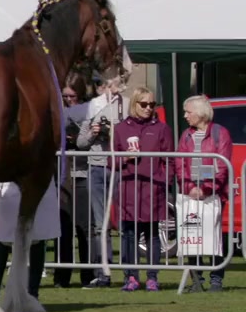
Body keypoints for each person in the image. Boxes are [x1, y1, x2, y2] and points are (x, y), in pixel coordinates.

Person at [112, 86, 172, 292]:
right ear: (135, 104)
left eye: (152, 104)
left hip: (153, 189)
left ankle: (152, 277)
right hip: (129, 189)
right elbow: (111, 161)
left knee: (152, 235)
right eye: (144, 104)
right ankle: (131, 277)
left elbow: (170, 160)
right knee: (129, 235)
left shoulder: (161, 128)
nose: (148, 108)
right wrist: (124, 158)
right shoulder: (121, 129)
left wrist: (164, 180)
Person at [175, 94, 233, 292]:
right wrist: (189, 187)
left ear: (200, 113)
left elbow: (222, 166)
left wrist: (206, 188)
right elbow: (180, 164)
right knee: (193, 234)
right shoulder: (186, 135)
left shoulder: (220, 133)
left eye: (188, 112)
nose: (185, 116)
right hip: (191, 193)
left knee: (214, 235)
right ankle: (196, 280)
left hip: (214, 194)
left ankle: (216, 279)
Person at [78, 76, 129, 287]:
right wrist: (93, 132)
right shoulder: (93, 107)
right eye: (106, 85)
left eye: (113, 85)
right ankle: (103, 273)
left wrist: (113, 132)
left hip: (120, 167)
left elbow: (130, 137)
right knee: (100, 225)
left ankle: (129, 273)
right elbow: (81, 143)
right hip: (96, 167)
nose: (110, 89)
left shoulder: (127, 105)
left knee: (125, 222)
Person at [0, 182, 59, 301]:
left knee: (37, 239)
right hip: (10, 188)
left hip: (37, 189)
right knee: (3, 240)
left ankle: (33, 295)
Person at [55, 82, 95, 288]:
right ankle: (62, 277)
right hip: (62, 177)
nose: (69, 100)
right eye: (65, 97)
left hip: (83, 174)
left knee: (84, 228)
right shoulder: (57, 114)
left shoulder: (88, 113)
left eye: (72, 96)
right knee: (63, 229)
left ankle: (88, 276)